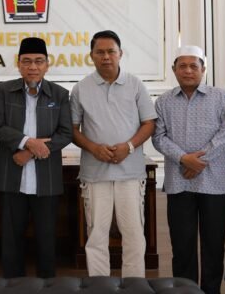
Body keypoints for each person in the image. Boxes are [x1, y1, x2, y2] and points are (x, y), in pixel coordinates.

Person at [71, 30, 157, 277]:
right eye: (100, 52)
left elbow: (149, 123)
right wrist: (93, 148)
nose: (106, 56)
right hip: (95, 173)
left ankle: (134, 285)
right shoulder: (80, 89)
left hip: (129, 173)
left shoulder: (136, 84)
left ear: (120, 54)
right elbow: (73, 130)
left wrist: (128, 147)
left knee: (133, 234)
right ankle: (100, 286)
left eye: (111, 51)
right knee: (96, 234)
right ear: (91, 56)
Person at [152, 45, 225, 294]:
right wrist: (183, 159)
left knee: (213, 245)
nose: (188, 71)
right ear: (173, 70)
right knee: (182, 245)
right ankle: (185, 291)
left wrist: (199, 161)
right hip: (180, 183)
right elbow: (158, 137)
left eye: (194, 66)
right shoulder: (163, 102)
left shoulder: (220, 96)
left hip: (215, 182)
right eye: (182, 66)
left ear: (204, 69)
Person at [0, 37, 73, 279]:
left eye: (38, 61)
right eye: (27, 61)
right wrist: (29, 142)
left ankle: (46, 285)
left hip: (45, 178)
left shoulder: (59, 94)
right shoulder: (5, 90)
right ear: (18, 64)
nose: (33, 67)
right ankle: (12, 284)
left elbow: (65, 133)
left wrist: (31, 151)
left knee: (47, 238)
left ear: (47, 65)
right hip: (11, 176)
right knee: (11, 238)